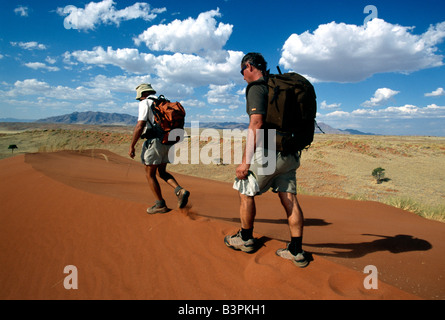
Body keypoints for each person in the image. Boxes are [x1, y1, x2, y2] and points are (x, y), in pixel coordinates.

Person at [224, 53, 309, 267]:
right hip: (290, 152)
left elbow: (256, 123)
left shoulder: (257, 88)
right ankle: (296, 250)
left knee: (245, 190)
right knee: (289, 198)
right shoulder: (279, 87)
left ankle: (246, 239)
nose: (242, 75)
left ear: (249, 66)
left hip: (269, 151)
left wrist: (245, 162)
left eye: (242, 70)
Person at [129, 83, 190, 214]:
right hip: (168, 141)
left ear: (143, 94)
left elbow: (140, 125)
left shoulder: (145, 103)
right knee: (161, 172)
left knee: (149, 174)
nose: (139, 100)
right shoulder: (163, 102)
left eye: (139, 97)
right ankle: (180, 190)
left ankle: (160, 204)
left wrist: (132, 145)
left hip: (155, 141)